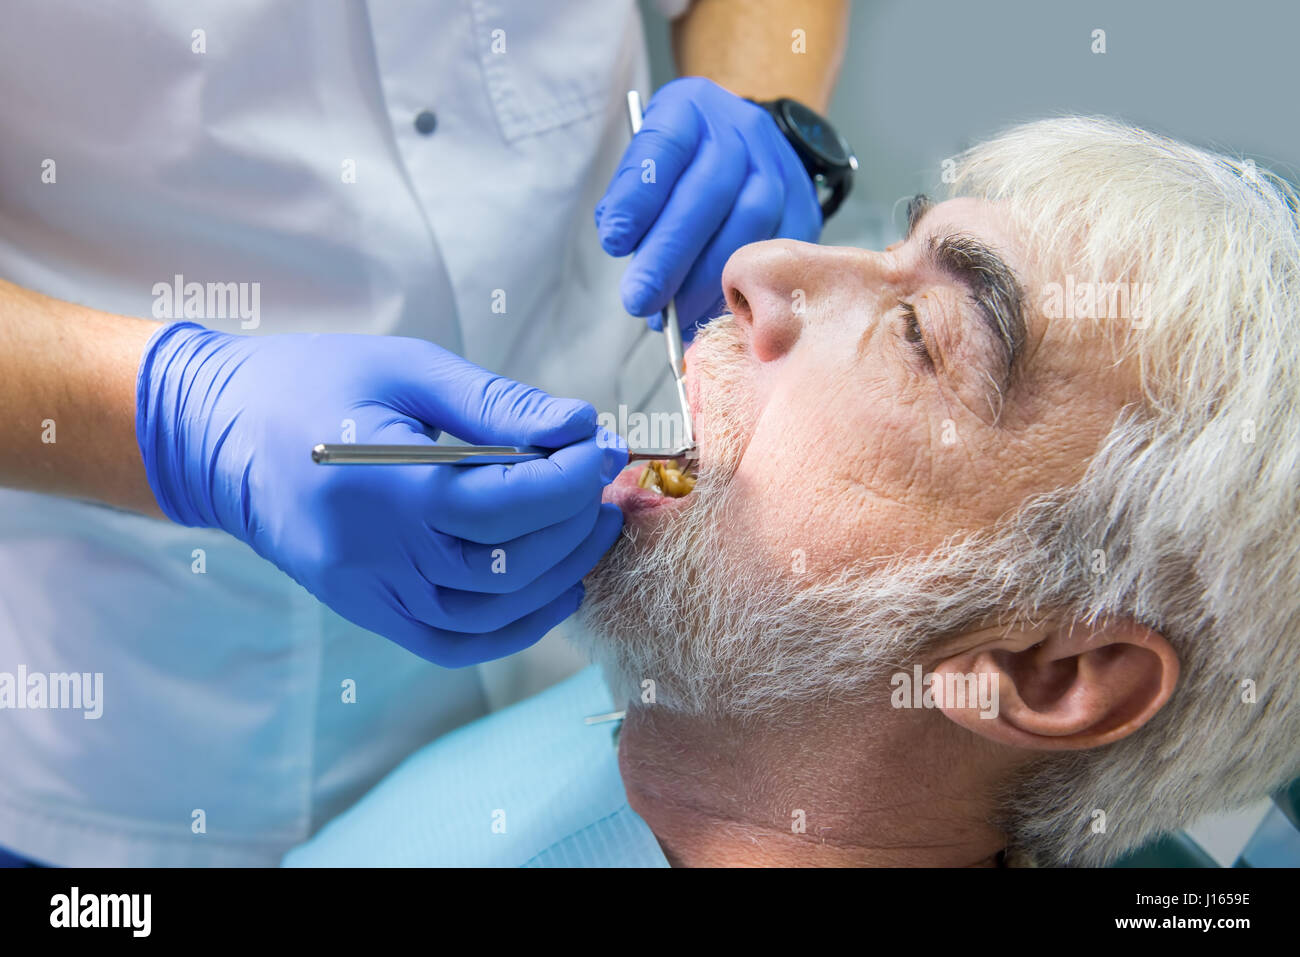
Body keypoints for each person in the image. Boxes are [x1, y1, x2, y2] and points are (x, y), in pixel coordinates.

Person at [285, 117, 1300, 867]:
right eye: (890, 246)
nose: (756, 267)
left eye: (917, 333)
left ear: (1044, 672)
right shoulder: (736, 673)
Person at [0, 0, 849, 865]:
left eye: (919, 331)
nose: (777, 289)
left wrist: (763, 110)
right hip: (159, 728)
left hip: (574, 675)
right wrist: (180, 419)